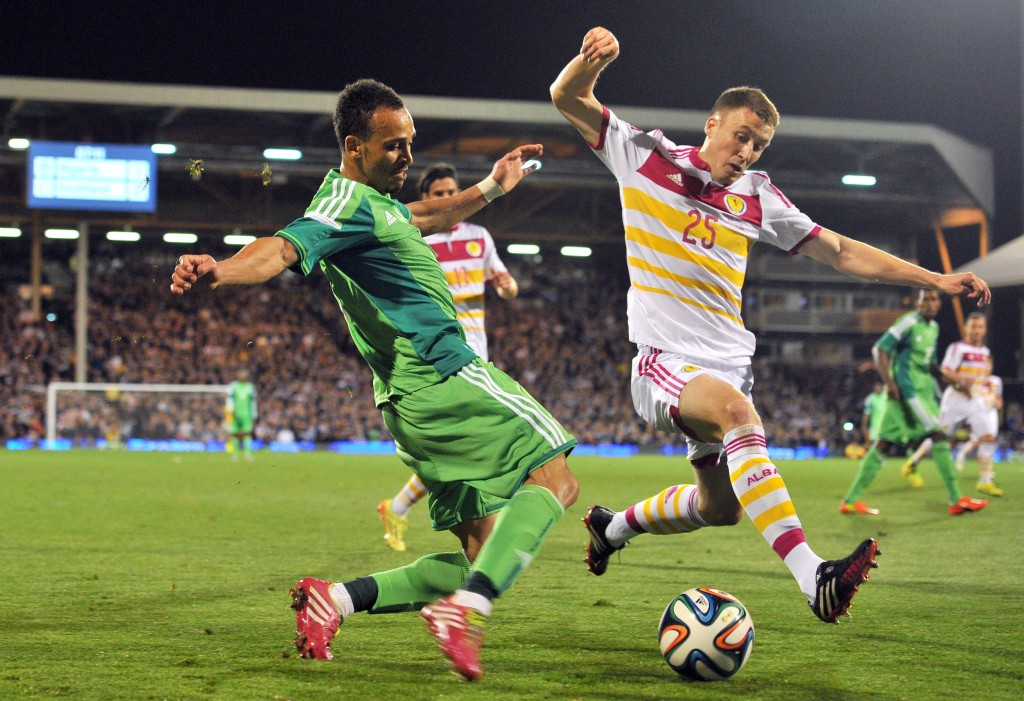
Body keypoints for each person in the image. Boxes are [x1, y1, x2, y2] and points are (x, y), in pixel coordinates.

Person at [550, 26, 991, 624]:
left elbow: (841, 252)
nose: (748, 152)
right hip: (665, 361)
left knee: (720, 509)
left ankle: (612, 527)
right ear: (712, 125)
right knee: (739, 416)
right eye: (741, 136)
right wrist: (590, 62)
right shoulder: (645, 156)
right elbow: (567, 97)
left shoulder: (759, 197)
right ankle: (815, 578)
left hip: (729, 365)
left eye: (759, 145)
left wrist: (934, 279)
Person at [170, 79, 578, 681]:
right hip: (445, 371)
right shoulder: (341, 204)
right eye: (394, 146)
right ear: (354, 147)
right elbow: (282, 248)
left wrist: (493, 185)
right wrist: (222, 270)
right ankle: (466, 611)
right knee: (557, 478)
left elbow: (426, 215)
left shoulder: (378, 206)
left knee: (484, 554)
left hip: (407, 404)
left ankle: (335, 600)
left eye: (411, 142)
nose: (408, 156)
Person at [378, 162, 520, 553]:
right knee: (472, 435)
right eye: (439, 194)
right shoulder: (414, 237)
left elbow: (505, 287)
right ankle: (486, 519)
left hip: (476, 348)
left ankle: (401, 506)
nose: (447, 198)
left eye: (451, 191)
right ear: (426, 198)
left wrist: (507, 284)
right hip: (437, 347)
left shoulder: (479, 237)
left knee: (460, 440)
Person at [841, 290, 989, 515]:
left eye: (933, 299)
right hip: (908, 393)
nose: (929, 303)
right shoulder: (909, 322)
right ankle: (956, 499)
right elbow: (879, 349)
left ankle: (851, 501)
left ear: (939, 303)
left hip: (920, 392)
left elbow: (931, 366)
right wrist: (890, 384)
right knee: (938, 435)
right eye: (924, 299)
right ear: (917, 303)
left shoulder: (933, 328)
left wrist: (955, 382)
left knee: (883, 444)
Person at [935, 313, 1004, 496]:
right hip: (955, 400)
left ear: (984, 330)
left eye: (980, 327)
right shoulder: (957, 348)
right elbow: (945, 371)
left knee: (988, 436)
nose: (977, 330)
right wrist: (959, 380)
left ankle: (985, 481)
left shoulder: (985, 352)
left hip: (974, 401)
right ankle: (914, 462)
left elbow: (982, 379)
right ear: (966, 328)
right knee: (941, 438)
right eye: (973, 327)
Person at [225, 368, 258, 461]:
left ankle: (247, 453)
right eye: (241, 374)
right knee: (235, 433)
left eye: (244, 375)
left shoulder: (250, 387)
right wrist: (231, 410)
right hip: (235, 413)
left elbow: (253, 402)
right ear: (238, 375)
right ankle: (235, 453)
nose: (243, 376)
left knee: (247, 433)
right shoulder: (233, 386)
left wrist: (255, 414)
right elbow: (229, 399)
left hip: (247, 414)